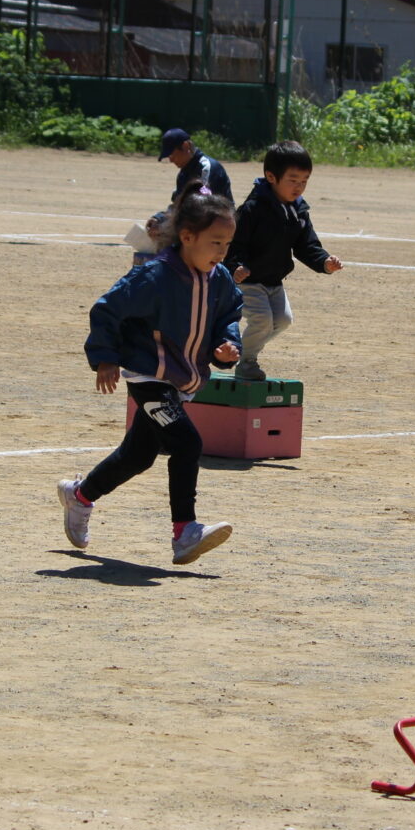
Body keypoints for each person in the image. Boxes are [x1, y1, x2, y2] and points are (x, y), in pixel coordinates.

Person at [60, 187, 243, 565]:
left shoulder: (220, 278)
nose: (222, 252)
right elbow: (107, 309)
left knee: (138, 455)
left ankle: (79, 496)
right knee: (187, 443)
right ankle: (185, 532)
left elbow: (229, 316)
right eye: (215, 242)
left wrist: (225, 346)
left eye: (227, 243)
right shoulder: (155, 275)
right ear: (187, 237)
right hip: (149, 375)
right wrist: (106, 358)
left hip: (183, 379)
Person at [224, 140, 343, 381]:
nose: (299, 187)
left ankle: (237, 350)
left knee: (283, 320)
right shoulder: (252, 208)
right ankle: (247, 362)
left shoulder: (298, 211)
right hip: (248, 281)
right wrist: (235, 267)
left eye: (304, 181)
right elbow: (234, 244)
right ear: (271, 176)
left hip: (273, 280)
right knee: (262, 321)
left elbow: (307, 245)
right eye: (293, 179)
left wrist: (324, 263)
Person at [159, 127, 232, 201]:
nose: (171, 160)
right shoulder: (182, 175)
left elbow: (204, 202)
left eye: (172, 155)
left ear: (185, 146)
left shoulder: (207, 168)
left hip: (218, 211)